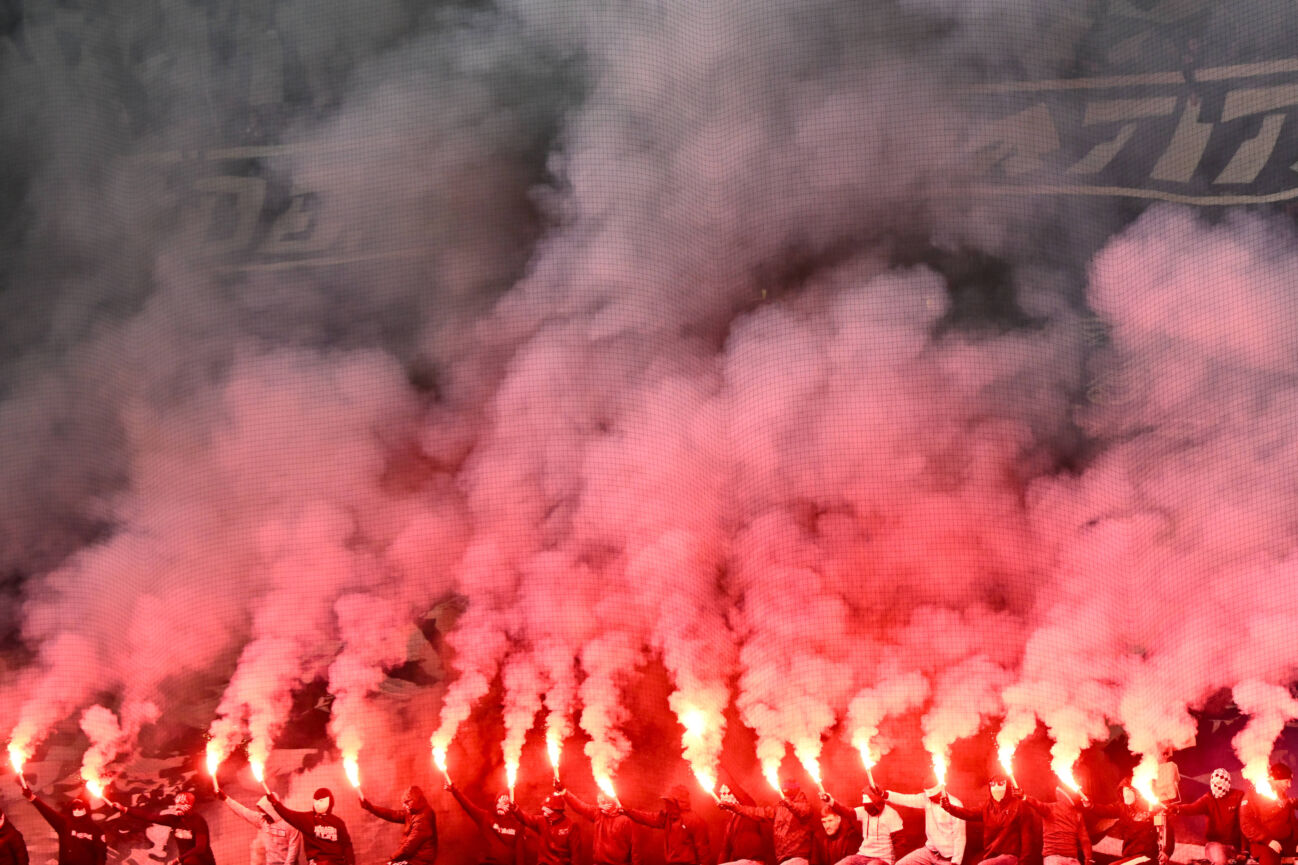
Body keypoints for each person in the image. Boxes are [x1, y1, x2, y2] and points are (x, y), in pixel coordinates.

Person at [719, 777, 817, 865]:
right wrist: (733, 807)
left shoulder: (804, 805)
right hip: (784, 860)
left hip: (798, 858)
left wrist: (789, 804)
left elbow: (802, 812)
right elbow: (755, 812)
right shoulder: (778, 809)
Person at [106, 790, 216, 865]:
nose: (178, 806)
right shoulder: (173, 820)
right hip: (186, 861)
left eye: (182, 803)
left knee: (190, 861)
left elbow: (200, 848)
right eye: (177, 803)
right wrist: (124, 809)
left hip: (203, 862)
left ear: (190, 805)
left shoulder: (198, 821)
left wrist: (178, 859)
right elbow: (149, 817)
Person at [940, 775, 1027, 865]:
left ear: (1008, 786)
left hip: (1012, 856)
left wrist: (1024, 862)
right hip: (991, 854)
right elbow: (968, 813)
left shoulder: (1018, 805)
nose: (996, 788)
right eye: (993, 784)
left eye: (1001, 784)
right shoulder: (988, 806)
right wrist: (949, 808)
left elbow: (1027, 834)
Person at [1081, 782, 1172, 865]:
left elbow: (1165, 831)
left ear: (1137, 793)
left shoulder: (1151, 809)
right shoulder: (1122, 808)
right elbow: (1105, 810)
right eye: (1124, 790)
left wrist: (1166, 852)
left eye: (1128, 790)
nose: (1126, 794)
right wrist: (1091, 806)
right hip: (1130, 856)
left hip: (1147, 856)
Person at [880, 782, 966, 865]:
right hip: (929, 852)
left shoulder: (956, 805)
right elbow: (906, 799)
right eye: (929, 796)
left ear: (941, 790)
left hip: (947, 859)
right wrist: (885, 794)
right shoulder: (926, 799)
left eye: (933, 796)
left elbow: (960, 836)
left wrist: (956, 862)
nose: (930, 798)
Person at [623, 785, 712, 865]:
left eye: (669, 803)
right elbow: (647, 818)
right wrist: (627, 811)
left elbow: (703, 851)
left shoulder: (695, 821)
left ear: (679, 803)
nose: (666, 806)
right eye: (666, 803)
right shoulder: (666, 817)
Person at [1169, 769, 1242, 865]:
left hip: (1236, 846)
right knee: (1221, 862)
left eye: (1220, 783)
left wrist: (1244, 850)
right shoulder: (1208, 798)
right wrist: (1176, 809)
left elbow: (1245, 822)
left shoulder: (1238, 796)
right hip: (1215, 844)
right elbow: (1192, 808)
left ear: (1227, 782)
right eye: (1214, 783)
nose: (1217, 786)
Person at [264, 787, 355, 865]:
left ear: (329, 801)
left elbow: (347, 845)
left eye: (321, 801)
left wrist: (350, 863)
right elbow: (289, 815)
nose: (318, 804)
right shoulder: (308, 819)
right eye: (316, 801)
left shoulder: (338, 822)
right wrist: (275, 803)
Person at [19, 786, 105, 865]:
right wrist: (32, 798)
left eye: (80, 807)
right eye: (74, 808)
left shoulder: (96, 831)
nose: (77, 810)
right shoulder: (65, 824)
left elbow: (101, 857)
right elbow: (47, 812)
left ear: (86, 809)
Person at [445, 781, 525, 865]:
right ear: (496, 802)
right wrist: (455, 790)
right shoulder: (485, 817)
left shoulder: (518, 824)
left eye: (505, 803)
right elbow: (468, 806)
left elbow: (520, 855)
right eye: (499, 802)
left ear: (511, 806)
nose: (501, 805)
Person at [216, 789, 302, 865]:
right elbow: (243, 811)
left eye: (264, 812)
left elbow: (293, 852)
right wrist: (225, 799)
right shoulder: (262, 821)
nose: (262, 815)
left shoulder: (290, 825)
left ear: (271, 810)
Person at [359, 785, 437, 865]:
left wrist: (392, 859)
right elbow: (392, 815)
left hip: (419, 861)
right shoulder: (413, 811)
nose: (404, 805)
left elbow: (409, 847)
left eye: (407, 802)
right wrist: (371, 808)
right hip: (411, 859)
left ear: (415, 800)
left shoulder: (423, 818)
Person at [560, 787, 640, 865]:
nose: (599, 804)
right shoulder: (598, 814)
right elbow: (580, 807)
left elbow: (635, 849)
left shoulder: (626, 820)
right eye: (599, 802)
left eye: (602, 802)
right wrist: (564, 792)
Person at [827, 788, 902, 865]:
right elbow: (846, 812)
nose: (868, 810)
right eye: (866, 807)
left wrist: (897, 863)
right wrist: (830, 801)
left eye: (870, 807)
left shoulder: (891, 814)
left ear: (877, 803)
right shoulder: (864, 811)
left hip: (883, 858)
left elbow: (899, 842)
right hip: (863, 855)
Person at [1018, 788, 1091, 865]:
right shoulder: (1052, 809)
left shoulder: (1077, 815)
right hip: (1056, 858)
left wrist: (1088, 859)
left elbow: (1084, 839)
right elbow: (1037, 804)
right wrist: (1024, 797)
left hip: (1063, 858)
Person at [1239, 764, 1294, 865]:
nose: (1289, 785)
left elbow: (1292, 821)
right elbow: (1246, 823)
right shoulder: (1254, 795)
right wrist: (1268, 841)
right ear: (1275, 780)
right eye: (1286, 781)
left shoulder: (1281, 796)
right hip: (1264, 844)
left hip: (1285, 842)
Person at [511, 794, 580, 865]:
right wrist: (516, 810)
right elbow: (525, 818)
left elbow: (576, 855)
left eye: (547, 807)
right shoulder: (541, 821)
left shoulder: (571, 826)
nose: (542, 809)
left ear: (556, 810)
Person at [717, 777, 769, 865]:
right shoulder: (729, 822)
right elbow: (725, 850)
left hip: (754, 861)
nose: (725, 797)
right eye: (722, 794)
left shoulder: (748, 808)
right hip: (741, 862)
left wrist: (719, 768)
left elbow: (739, 791)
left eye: (728, 793)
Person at [812, 798, 861, 865]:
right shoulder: (818, 837)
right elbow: (814, 863)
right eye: (824, 822)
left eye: (830, 821)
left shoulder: (851, 836)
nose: (827, 826)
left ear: (838, 819)